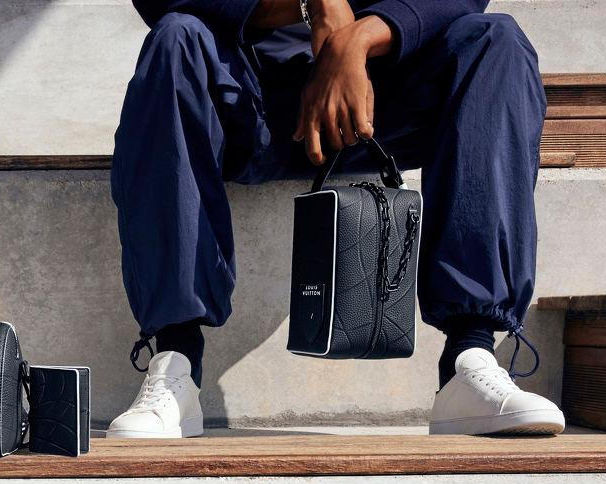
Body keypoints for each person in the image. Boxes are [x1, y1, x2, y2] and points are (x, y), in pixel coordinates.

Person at [106, 0, 566, 438]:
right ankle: (177, 361)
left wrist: (359, 39)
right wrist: (314, 4)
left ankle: (470, 356)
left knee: (495, 39)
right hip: (241, 96)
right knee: (175, 37)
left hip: (374, 99)